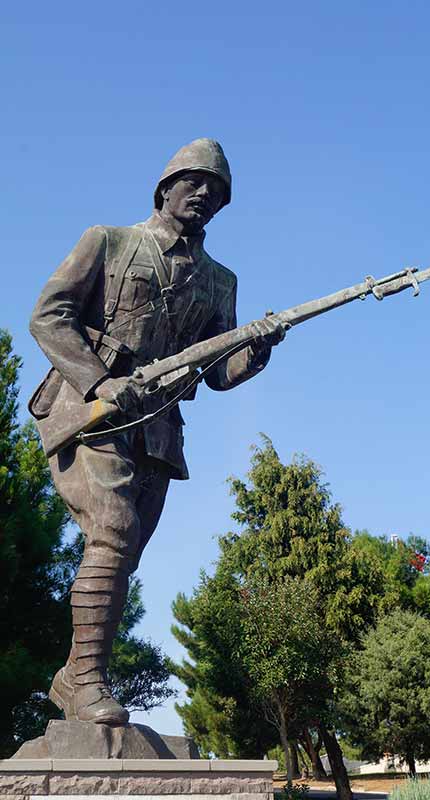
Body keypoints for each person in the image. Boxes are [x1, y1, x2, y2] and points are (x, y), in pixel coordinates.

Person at [29, 138, 285, 725]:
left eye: (216, 191)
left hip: (158, 430)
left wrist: (258, 348)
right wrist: (97, 382)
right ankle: (88, 680)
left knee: (122, 556)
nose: (203, 195)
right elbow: (50, 314)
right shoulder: (111, 241)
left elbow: (218, 371)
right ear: (165, 186)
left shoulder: (221, 280)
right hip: (91, 413)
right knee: (113, 531)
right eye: (194, 182)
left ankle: (73, 677)